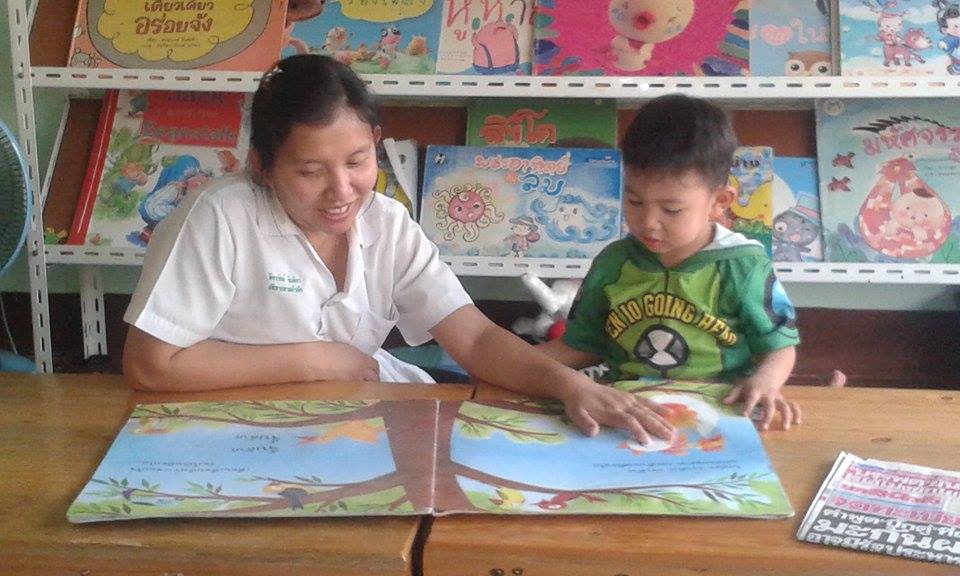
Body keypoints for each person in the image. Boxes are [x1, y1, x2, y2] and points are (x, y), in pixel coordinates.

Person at [121, 54, 675, 445]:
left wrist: (570, 385)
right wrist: (316, 359)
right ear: (261, 166)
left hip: (349, 422)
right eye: (310, 171)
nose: (342, 192)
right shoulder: (220, 217)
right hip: (237, 431)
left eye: (358, 161)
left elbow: (476, 337)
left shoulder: (386, 222)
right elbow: (151, 365)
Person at [540, 94, 802, 431]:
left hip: (721, 412)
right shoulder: (613, 263)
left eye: (671, 209)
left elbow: (780, 347)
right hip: (629, 412)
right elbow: (580, 346)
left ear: (718, 202)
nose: (648, 222)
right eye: (634, 201)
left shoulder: (743, 265)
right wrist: (511, 364)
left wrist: (766, 382)